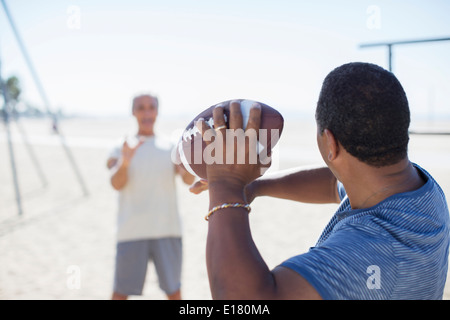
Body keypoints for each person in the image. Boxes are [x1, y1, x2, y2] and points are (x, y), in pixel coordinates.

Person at [191, 62, 450, 299]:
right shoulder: (422, 190)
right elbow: (334, 183)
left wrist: (226, 184)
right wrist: (254, 187)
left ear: (330, 143)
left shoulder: (370, 252)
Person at [107, 93, 195, 300]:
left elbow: (187, 179)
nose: (147, 113)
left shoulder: (171, 146)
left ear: (157, 111)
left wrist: (188, 162)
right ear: (133, 112)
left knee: (174, 291)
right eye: (141, 108)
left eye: (151, 107)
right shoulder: (121, 146)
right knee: (120, 293)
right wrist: (125, 161)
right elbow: (116, 183)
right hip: (131, 231)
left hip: (168, 230)